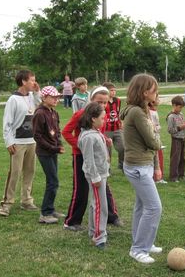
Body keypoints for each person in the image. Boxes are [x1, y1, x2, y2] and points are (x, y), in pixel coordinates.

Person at [62, 86, 122, 231]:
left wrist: (105, 140)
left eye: (105, 102)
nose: (102, 105)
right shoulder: (80, 115)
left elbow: (97, 133)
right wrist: (80, 145)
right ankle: (72, 221)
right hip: (80, 156)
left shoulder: (103, 115)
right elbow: (66, 132)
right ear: (91, 100)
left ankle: (111, 216)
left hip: (97, 158)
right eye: (99, 102)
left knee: (104, 185)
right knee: (80, 188)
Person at [120, 73, 163, 264]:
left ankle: (145, 242)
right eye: (154, 90)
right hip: (137, 167)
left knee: (142, 206)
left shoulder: (142, 109)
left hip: (143, 164)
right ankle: (138, 249)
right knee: (154, 207)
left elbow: (152, 141)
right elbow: (153, 141)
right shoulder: (137, 112)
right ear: (145, 92)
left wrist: (155, 166)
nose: (157, 93)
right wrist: (156, 135)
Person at [0, 70, 41, 217]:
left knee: (30, 172)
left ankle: (26, 201)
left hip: (32, 141)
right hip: (18, 142)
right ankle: (7, 203)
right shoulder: (13, 100)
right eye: (32, 80)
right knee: (15, 173)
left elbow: (39, 106)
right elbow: (7, 123)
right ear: (23, 81)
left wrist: (36, 92)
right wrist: (9, 141)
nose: (34, 83)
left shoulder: (31, 96)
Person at [78, 102, 110, 249]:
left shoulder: (95, 133)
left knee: (95, 203)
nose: (104, 121)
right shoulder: (88, 137)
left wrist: (105, 141)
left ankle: (93, 231)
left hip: (101, 173)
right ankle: (99, 237)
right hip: (96, 176)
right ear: (93, 119)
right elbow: (89, 160)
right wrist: (95, 177)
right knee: (100, 205)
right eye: (102, 118)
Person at [32, 86, 65, 224]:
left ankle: (50, 209)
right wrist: (53, 147)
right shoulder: (40, 113)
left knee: (52, 181)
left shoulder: (54, 112)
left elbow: (57, 131)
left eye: (57, 97)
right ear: (44, 98)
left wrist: (59, 144)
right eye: (53, 97)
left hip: (53, 151)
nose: (56, 99)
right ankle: (45, 214)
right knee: (53, 181)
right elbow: (37, 136)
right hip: (45, 152)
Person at [166, 96, 185, 182]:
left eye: (182, 108)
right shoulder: (171, 117)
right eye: (179, 107)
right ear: (174, 105)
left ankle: (181, 175)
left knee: (182, 158)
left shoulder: (181, 115)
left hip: (182, 138)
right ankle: (173, 177)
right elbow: (170, 130)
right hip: (176, 139)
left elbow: (183, 126)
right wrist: (180, 127)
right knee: (175, 158)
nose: (180, 109)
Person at [102, 82, 125, 170]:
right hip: (106, 129)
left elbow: (118, 112)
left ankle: (121, 164)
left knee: (122, 147)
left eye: (115, 90)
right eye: (111, 90)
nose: (113, 92)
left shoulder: (118, 100)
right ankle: (107, 168)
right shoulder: (103, 101)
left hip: (117, 128)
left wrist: (121, 122)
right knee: (107, 150)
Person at [149, 94, 166, 183]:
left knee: (160, 156)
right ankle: (156, 177)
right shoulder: (150, 112)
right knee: (156, 158)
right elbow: (152, 126)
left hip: (157, 137)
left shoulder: (154, 111)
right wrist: (158, 127)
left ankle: (158, 177)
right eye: (157, 98)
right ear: (152, 102)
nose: (159, 100)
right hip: (153, 138)